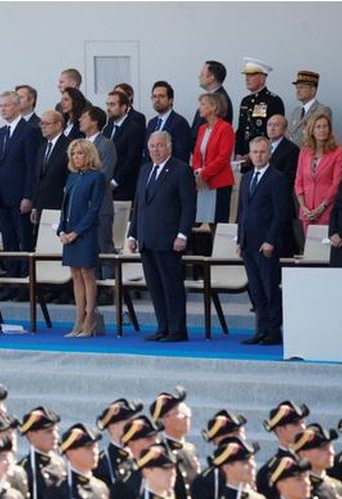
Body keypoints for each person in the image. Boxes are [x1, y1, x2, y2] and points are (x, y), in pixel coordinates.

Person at [128, 131, 197, 342]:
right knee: (155, 286)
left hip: (169, 239)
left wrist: (182, 234)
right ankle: (162, 326)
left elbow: (188, 206)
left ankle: (177, 329)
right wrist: (132, 234)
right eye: (152, 146)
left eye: (159, 145)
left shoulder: (181, 170)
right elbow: (139, 204)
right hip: (146, 238)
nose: (155, 150)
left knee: (171, 285)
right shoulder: (145, 170)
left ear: (169, 146)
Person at [237, 136, 289, 345]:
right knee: (256, 289)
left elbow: (281, 213)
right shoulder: (247, 178)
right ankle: (261, 329)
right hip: (248, 242)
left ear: (269, 154)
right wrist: (239, 239)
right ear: (250, 154)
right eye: (255, 152)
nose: (258, 156)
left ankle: (273, 331)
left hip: (266, 244)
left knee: (269, 288)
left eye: (262, 152)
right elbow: (242, 211)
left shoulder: (277, 178)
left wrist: (270, 240)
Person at [59, 138, 106, 337]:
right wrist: (61, 230)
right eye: (73, 154)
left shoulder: (97, 177)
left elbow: (94, 210)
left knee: (87, 273)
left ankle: (90, 319)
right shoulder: (72, 176)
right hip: (69, 232)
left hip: (85, 233)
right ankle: (78, 319)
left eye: (79, 153)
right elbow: (64, 205)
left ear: (88, 155)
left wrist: (76, 232)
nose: (75, 157)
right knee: (75, 275)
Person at [0, 90, 39, 281]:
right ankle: (11, 280)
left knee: (24, 240)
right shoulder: (0, 133)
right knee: (9, 241)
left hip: (20, 196)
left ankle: (25, 280)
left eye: (7, 105)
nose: (3, 109)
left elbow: (31, 167)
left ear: (17, 106)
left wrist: (28, 196)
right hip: (3, 197)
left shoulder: (29, 131)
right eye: (1, 106)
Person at [79, 106, 117, 279]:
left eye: (84, 117)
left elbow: (104, 176)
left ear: (94, 122)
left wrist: (83, 185)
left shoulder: (106, 145)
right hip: (83, 206)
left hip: (100, 205)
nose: (80, 120)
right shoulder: (80, 144)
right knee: (89, 249)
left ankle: (109, 285)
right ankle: (93, 285)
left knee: (104, 246)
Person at [295, 113, 342, 235]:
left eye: (325, 126)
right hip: (307, 211)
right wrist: (303, 206)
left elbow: (337, 183)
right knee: (308, 245)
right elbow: (298, 181)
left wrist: (321, 208)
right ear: (312, 130)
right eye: (318, 127)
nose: (322, 130)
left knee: (322, 245)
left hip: (326, 211)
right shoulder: (304, 151)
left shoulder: (338, 152)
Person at [192, 92, 236, 225]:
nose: (199, 108)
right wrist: (198, 172)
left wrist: (204, 173)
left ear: (214, 107)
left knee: (217, 222)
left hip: (220, 181)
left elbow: (223, 157)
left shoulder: (226, 128)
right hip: (203, 181)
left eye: (203, 104)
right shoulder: (202, 128)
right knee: (204, 218)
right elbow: (197, 153)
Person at [235, 57, 286, 165]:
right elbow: (241, 130)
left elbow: (276, 133)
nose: (247, 79)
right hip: (244, 159)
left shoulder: (273, 101)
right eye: (246, 75)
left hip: (263, 157)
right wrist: (238, 153)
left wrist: (252, 155)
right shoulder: (245, 101)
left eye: (251, 75)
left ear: (263, 78)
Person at [103, 89, 146, 203]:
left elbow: (133, 159)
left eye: (112, 105)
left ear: (123, 107)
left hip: (125, 188)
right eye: (107, 104)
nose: (108, 108)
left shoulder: (134, 128)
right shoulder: (107, 128)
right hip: (106, 186)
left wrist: (115, 181)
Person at [30, 110, 70, 233]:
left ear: (58, 125)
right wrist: (35, 206)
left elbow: (69, 178)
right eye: (41, 124)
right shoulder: (42, 147)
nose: (42, 127)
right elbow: (37, 178)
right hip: (41, 206)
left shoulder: (69, 146)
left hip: (59, 205)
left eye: (46, 124)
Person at [267, 114, 301, 254]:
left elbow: (288, 178)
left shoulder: (291, 149)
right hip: (263, 205)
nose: (272, 128)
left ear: (285, 129)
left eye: (276, 125)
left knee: (283, 244)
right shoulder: (263, 146)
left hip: (280, 202)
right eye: (269, 125)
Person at [145, 81, 192, 163]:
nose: (157, 100)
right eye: (154, 97)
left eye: (161, 96)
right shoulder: (152, 123)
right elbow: (147, 152)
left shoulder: (180, 123)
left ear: (170, 100)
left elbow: (181, 156)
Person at [288, 70, 332, 146]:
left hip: (310, 151)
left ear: (312, 90)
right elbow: (290, 135)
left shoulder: (323, 110)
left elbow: (323, 138)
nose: (297, 91)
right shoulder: (296, 111)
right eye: (297, 87)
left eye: (301, 87)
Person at [191, 60, 233, 138]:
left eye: (202, 74)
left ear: (211, 78)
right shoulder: (211, 97)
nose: (199, 77)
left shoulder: (221, 100)